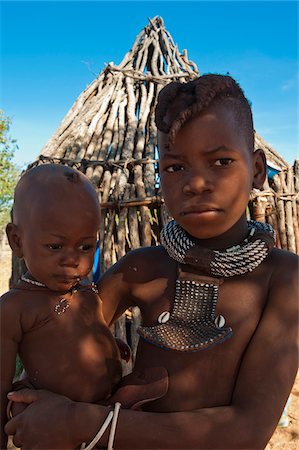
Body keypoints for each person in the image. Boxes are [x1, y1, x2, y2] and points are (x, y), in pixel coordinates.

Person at [4, 74, 298, 450]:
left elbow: (246, 430)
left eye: (221, 161)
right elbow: (65, 336)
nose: (196, 183)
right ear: (159, 175)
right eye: (175, 168)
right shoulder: (142, 268)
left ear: (257, 169)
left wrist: (78, 421)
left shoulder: (284, 278)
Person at [0, 164, 123, 449]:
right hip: (57, 433)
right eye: (55, 247)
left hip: (106, 416)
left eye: (85, 247)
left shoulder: (85, 289)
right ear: (16, 241)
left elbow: (80, 333)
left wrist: (108, 346)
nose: (72, 260)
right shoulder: (15, 309)